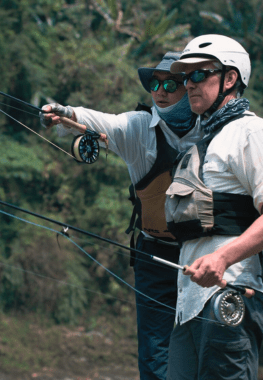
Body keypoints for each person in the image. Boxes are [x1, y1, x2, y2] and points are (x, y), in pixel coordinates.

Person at [39, 52, 204, 380]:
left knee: (204, 345)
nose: (160, 91)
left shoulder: (214, 130)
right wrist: (64, 113)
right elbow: (101, 121)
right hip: (154, 254)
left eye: (170, 84)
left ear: (189, 88)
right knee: (155, 352)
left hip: (203, 255)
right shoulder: (139, 127)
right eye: (154, 84)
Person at [163, 34, 263, 380]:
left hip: (232, 293)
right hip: (188, 306)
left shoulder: (251, 131)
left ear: (230, 78)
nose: (188, 84)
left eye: (199, 75)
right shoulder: (199, 143)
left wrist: (222, 258)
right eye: (185, 77)